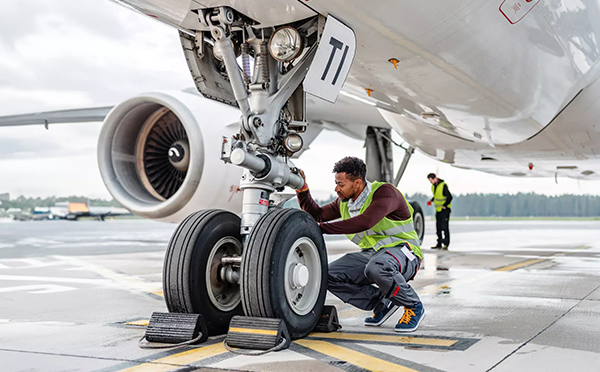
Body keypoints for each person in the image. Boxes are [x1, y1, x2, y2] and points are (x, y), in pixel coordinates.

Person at [297, 157, 425, 332]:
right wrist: (302, 188)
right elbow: (317, 214)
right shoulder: (344, 204)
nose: (336, 189)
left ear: (357, 183)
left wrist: (322, 229)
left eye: (340, 184)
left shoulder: (385, 193)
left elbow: (366, 221)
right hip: (374, 254)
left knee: (377, 267)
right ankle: (382, 303)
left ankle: (413, 305)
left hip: (406, 253)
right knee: (327, 274)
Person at [427, 173, 452, 250]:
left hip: (445, 210)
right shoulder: (433, 186)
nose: (431, 182)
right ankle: (439, 243)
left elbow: (449, 197)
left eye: (431, 180)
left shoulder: (443, 186)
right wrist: (431, 201)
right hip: (438, 210)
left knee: (444, 227)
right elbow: (436, 196)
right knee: (438, 227)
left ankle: (446, 244)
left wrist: (445, 205)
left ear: (435, 178)